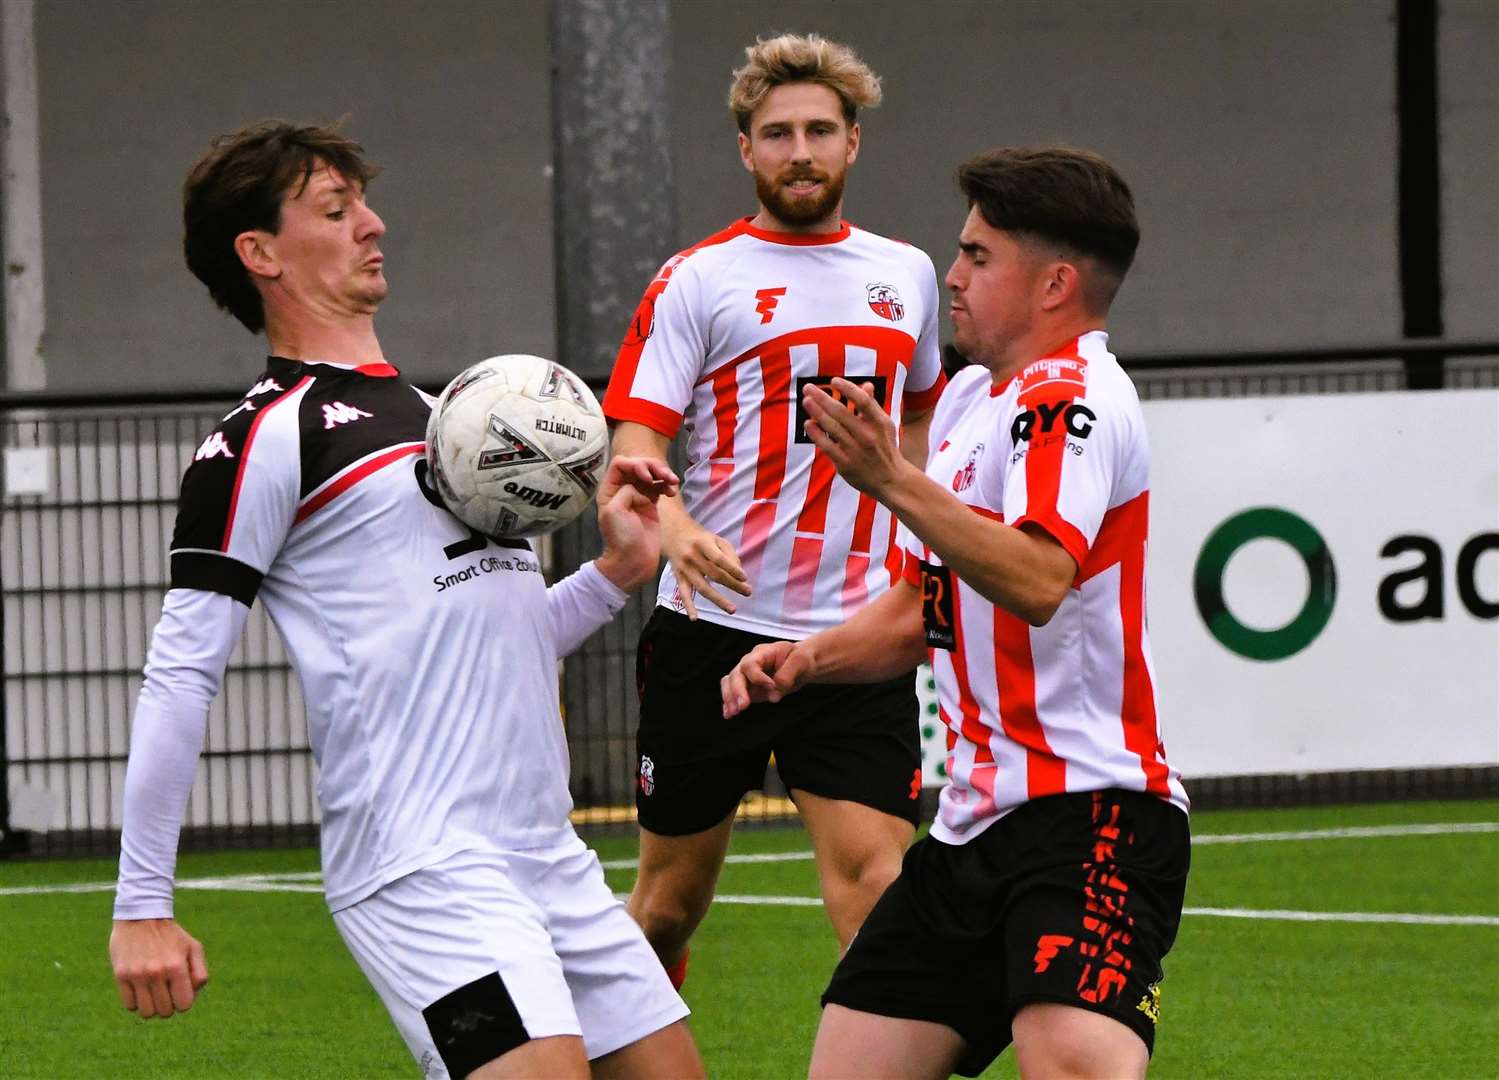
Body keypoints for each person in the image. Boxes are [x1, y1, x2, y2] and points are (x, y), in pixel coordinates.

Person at [107, 120, 705, 1080]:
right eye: (336, 212)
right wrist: (143, 903)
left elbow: (500, 637)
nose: (373, 225)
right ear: (259, 253)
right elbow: (181, 674)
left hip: (545, 855)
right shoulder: (263, 437)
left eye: (362, 204)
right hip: (420, 869)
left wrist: (613, 577)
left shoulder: (448, 421)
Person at [722, 146, 1191, 1079]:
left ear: (1054, 284)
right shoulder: (973, 398)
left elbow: (1036, 577)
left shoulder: (1072, 400)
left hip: (1088, 814)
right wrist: (806, 659)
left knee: (1072, 1063)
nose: (953, 272)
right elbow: (918, 608)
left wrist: (890, 479)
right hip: (970, 827)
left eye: (979, 255)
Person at [601, 33, 947, 986]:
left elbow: (915, 431)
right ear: (746, 151)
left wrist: (918, 551)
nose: (800, 151)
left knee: (879, 891)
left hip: (854, 640)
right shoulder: (697, 278)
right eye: (777, 133)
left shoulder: (907, 274)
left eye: (820, 131)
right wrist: (671, 528)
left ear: (853, 145)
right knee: (668, 907)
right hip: (709, 635)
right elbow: (636, 441)